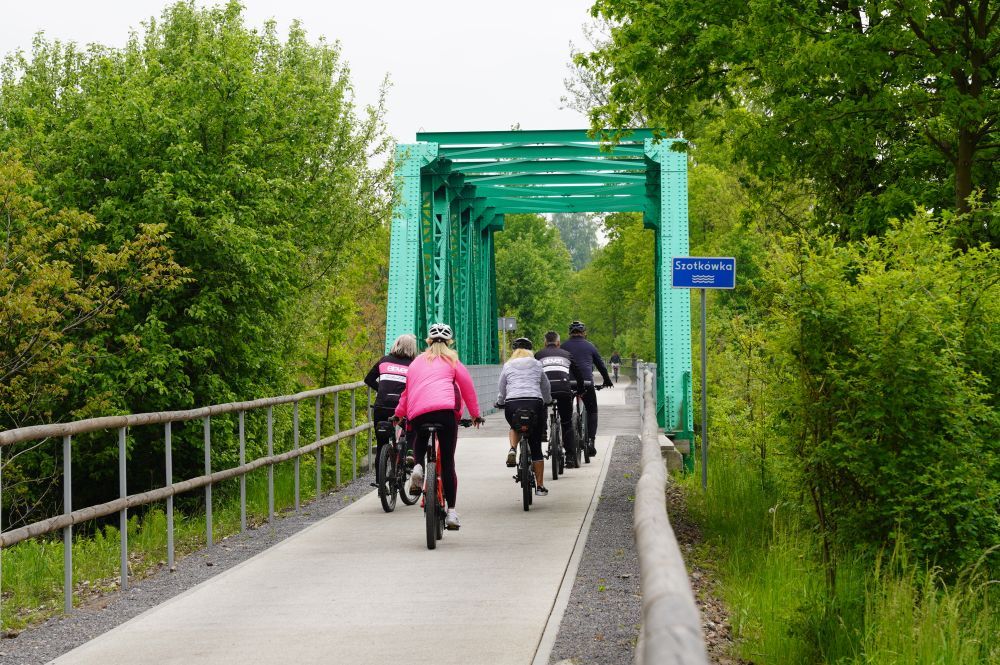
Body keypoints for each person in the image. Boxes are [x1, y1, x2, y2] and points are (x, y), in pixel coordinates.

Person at [394, 322, 483, 530]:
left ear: (428, 341)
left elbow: (407, 393)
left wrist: (398, 414)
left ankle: (418, 466)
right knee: (448, 463)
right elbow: (467, 388)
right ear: (449, 342)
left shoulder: (416, 363)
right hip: (445, 413)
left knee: (420, 439)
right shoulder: (453, 361)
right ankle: (451, 512)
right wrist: (475, 415)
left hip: (419, 414)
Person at [497, 337, 552, 495]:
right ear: (530, 351)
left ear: (514, 351)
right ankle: (540, 486)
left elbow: (502, 387)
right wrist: (547, 400)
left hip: (513, 403)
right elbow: (545, 386)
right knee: (536, 445)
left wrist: (500, 402)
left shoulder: (508, 365)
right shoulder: (537, 364)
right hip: (534, 403)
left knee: (514, 426)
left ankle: (513, 448)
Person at [364, 333, 418, 483]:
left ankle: (380, 483)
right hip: (401, 407)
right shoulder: (414, 365)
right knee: (411, 428)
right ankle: (409, 452)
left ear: (396, 345)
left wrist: (382, 390)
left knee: (381, 444)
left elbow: (368, 379)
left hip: (381, 406)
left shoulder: (384, 361)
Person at [560, 321, 613, 457]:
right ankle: (590, 442)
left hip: (567, 384)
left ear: (570, 333)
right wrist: (607, 380)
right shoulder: (590, 346)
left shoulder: (563, 346)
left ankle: (566, 445)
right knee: (592, 411)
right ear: (584, 333)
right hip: (586, 383)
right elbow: (601, 366)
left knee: (565, 414)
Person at [535, 331, 586, 467]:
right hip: (563, 390)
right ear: (558, 343)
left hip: (546, 390)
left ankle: (543, 431)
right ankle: (569, 457)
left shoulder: (538, 355)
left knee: (542, 404)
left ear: (545, 343)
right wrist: (581, 389)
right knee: (567, 422)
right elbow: (578, 374)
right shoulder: (567, 354)